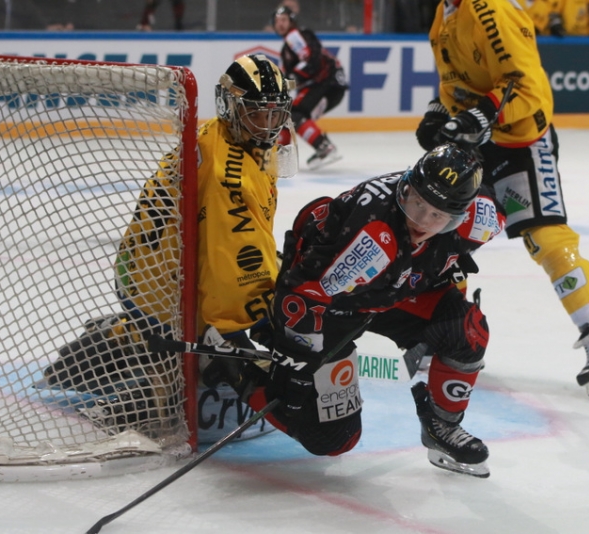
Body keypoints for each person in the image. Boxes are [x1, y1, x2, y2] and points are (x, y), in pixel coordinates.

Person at [204, 143, 507, 477]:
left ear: (458, 217)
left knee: (468, 330)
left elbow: (500, 200)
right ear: (407, 187)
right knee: (333, 438)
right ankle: (231, 358)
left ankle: (442, 428)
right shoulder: (372, 240)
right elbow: (302, 296)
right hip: (335, 307)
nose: (421, 220)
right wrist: (297, 358)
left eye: (437, 215)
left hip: (391, 294)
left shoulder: (478, 219)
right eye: (417, 203)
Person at [43, 54, 295, 442]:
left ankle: (121, 335)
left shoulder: (218, 133)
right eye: (257, 114)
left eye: (275, 115)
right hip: (165, 291)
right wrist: (265, 326)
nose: (267, 126)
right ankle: (144, 388)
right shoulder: (229, 177)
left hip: (143, 271)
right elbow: (231, 281)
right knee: (182, 401)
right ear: (231, 106)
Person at [415, 0, 589, 399]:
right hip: (480, 146)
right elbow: (455, 83)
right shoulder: (443, 14)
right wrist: (439, 111)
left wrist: (481, 114)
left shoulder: (491, 9)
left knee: (547, 238)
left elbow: (528, 86)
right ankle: (443, 332)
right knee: (448, 232)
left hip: (522, 142)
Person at [272, 4, 348, 171]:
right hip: (329, 85)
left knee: (294, 114)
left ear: (292, 21)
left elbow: (311, 62)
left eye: (284, 20)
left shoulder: (294, 37)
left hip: (328, 85)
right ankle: (281, 156)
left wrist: (290, 79)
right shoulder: (288, 46)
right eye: (277, 21)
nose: (280, 24)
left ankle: (324, 147)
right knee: (289, 114)